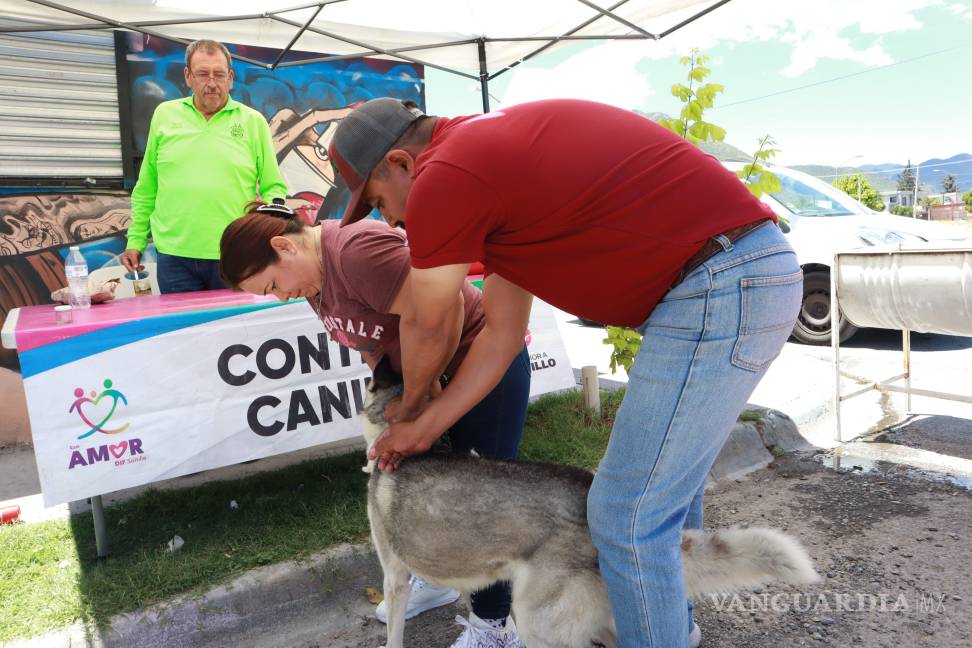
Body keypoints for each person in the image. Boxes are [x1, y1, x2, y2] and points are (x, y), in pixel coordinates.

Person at [328, 97, 803, 648]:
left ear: (401, 163)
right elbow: (501, 338)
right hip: (726, 279)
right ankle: (670, 627)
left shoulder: (446, 174)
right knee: (660, 504)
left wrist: (409, 411)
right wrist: (431, 427)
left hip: (719, 283)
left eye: (380, 201)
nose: (389, 220)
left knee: (627, 518)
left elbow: (428, 323)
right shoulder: (488, 167)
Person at [218, 201, 531, 648]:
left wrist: (419, 403)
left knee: (485, 504)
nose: (280, 296)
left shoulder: (356, 252)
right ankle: (438, 577)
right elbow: (371, 345)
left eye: (272, 285)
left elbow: (442, 314)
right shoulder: (312, 282)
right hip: (428, 380)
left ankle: (495, 628)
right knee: (431, 493)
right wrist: (407, 406)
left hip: (482, 366)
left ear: (284, 246)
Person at [122, 39, 287, 294]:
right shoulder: (164, 116)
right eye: (202, 74)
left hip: (234, 254)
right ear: (188, 76)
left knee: (237, 333)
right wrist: (136, 240)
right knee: (184, 333)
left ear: (230, 78)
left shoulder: (253, 122)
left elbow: (273, 186)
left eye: (219, 75)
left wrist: (269, 234)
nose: (212, 83)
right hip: (174, 257)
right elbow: (147, 187)